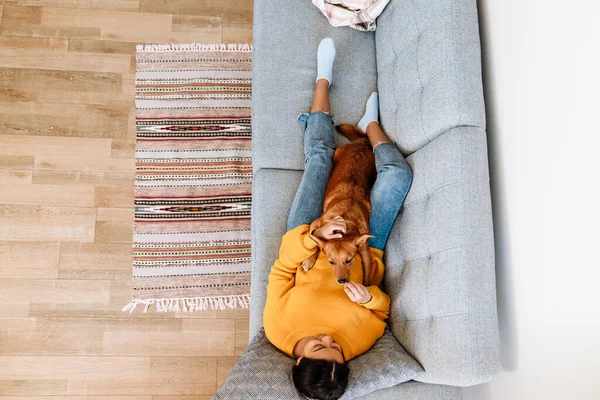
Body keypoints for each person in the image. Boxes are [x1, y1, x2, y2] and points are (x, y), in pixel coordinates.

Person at [263, 38, 413, 400]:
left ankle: (322, 81)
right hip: (365, 244)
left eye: (318, 345)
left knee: (319, 157)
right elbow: (384, 310)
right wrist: (368, 301)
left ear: (297, 362)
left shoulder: (277, 329)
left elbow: (281, 271)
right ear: (345, 361)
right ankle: (371, 124)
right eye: (337, 349)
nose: (328, 338)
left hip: (308, 236)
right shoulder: (359, 343)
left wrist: (314, 234)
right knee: (396, 175)